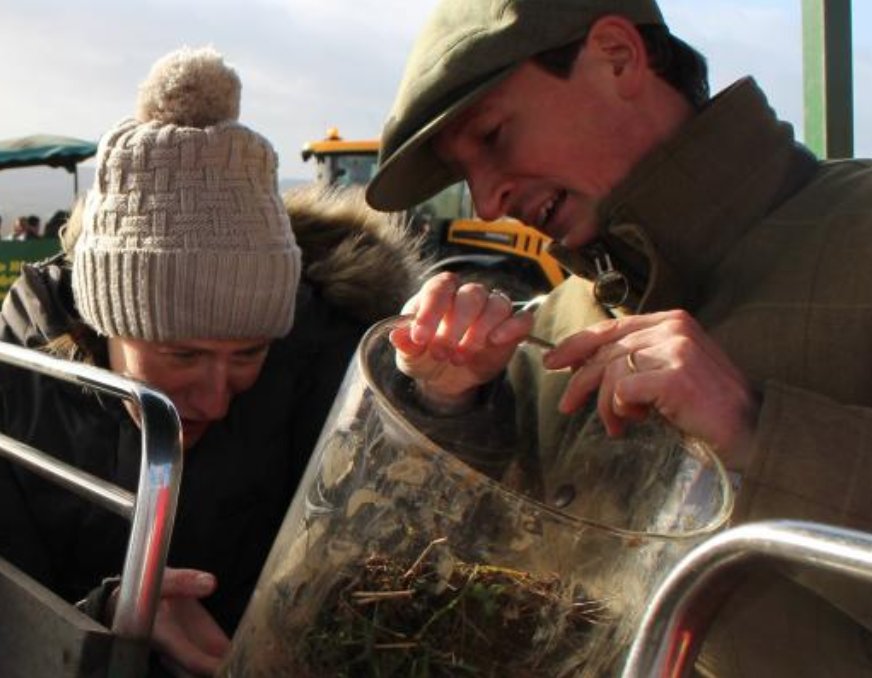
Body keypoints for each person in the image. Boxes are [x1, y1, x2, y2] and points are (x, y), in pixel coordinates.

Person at [365, 0, 872, 675]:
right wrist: (451, 409)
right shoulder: (543, 334)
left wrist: (756, 434)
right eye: (465, 177)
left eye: (492, 137)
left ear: (618, 56)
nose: (487, 203)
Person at [0, 47, 421, 676]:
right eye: (182, 354)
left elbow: (398, 533)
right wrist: (112, 611)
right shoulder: (21, 381)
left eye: (248, 354)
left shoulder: (323, 362)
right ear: (103, 320)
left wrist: (443, 396)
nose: (216, 398)